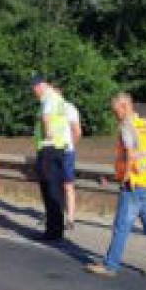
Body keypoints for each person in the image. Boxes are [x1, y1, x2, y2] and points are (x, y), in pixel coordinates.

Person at [87, 93, 146, 279]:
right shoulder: (145, 125)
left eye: (115, 111)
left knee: (121, 227)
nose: (115, 115)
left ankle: (110, 266)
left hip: (133, 186)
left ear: (124, 107)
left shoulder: (126, 126)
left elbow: (131, 156)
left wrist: (122, 180)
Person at [31, 77, 71, 240]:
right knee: (56, 190)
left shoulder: (48, 98)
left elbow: (46, 118)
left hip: (49, 148)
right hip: (58, 147)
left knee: (49, 189)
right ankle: (56, 229)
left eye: (34, 90)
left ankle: (52, 231)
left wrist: (47, 132)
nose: (34, 94)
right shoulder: (59, 99)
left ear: (40, 86)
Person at [62, 95, 83, 228]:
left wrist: (71, 146)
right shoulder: (47, 107)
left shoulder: (69, 108)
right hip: (51, 152)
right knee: (53, 186)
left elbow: (77, 131)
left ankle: (70, 219)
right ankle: (53, 215)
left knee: (67, 185)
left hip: (66, 152)